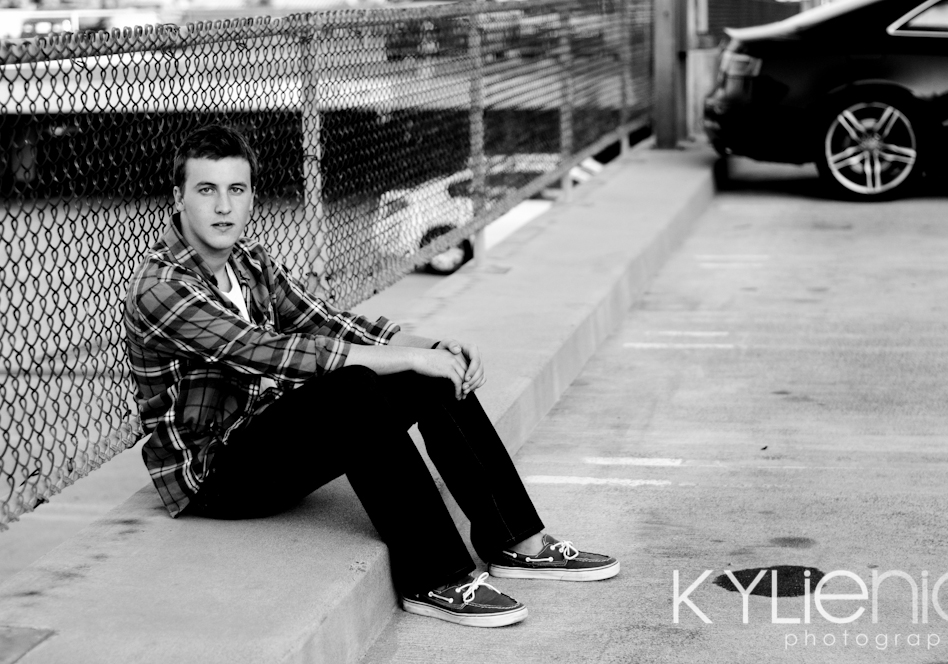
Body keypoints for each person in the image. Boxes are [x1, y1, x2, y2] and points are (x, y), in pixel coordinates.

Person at [124, 124, 619, 628]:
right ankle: (434, 577)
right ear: (179, 198)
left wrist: (430, 348)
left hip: (264, 436)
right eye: (206, 190)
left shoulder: (250, 261)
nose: (223, 206)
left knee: (435, 376)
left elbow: (325, 321)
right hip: (213, 475)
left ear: (252, 197)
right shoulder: (161, 286)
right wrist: (407, 358)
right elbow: (270, 352)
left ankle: (516, 541)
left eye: (236, 189)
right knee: (352, 388)